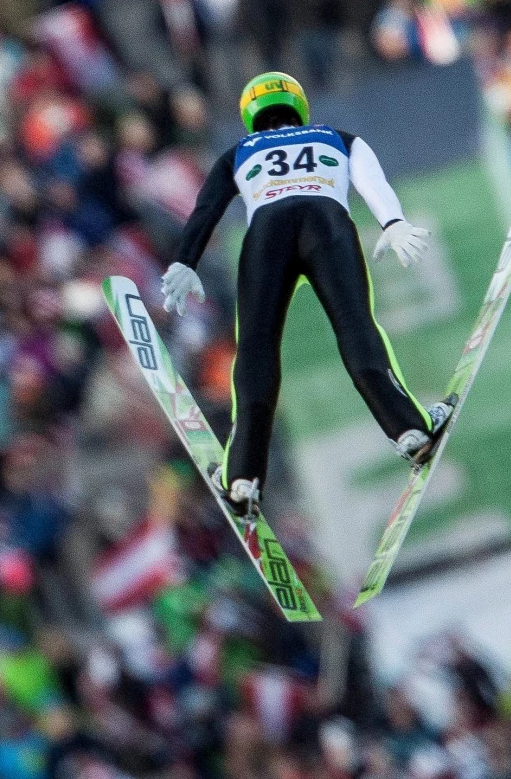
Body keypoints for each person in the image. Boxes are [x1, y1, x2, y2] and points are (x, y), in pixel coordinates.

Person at [160, 72, 454, 514]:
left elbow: (207, 208)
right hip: (327, 223)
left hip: (267, 232)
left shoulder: (238, 151)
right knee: (356, 326)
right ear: (298, 105)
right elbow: (372, 183)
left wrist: (185, 260)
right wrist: (393, 223)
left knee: (257, 349)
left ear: (249, 114)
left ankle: (242, 476)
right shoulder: (337, 137)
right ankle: (408, 429)